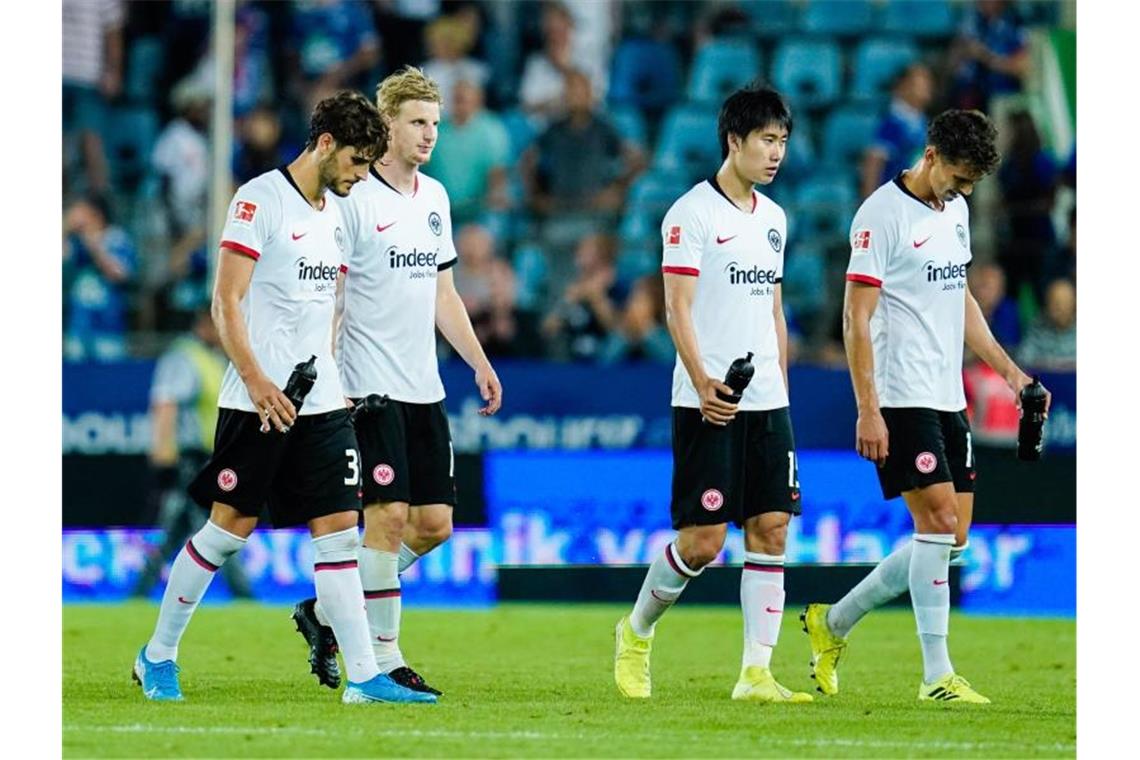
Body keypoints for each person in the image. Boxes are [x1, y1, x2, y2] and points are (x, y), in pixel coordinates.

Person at [130, 91, 431, 705]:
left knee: (341, 534)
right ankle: (156, 655)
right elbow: (226, 301)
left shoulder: (335, 214)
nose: (358, 175)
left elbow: (326, 310)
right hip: (257, 401)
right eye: (354, 161)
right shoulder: (257, 201)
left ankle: (365, 677)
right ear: (325, 145)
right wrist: (258, 378)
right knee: (224, 534)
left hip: (320, 404)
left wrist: (338, 385)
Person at [802, 109, 1050, 704]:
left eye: (972, 184)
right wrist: (868, 408)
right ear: (932, 154)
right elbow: (854, 318)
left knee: (952, 537)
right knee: (936, 524)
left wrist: (1014, 376)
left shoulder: (956, 211)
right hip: (899, 393)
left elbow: (959, 302)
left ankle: (831, 623)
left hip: (946, 396)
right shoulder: (880, 215)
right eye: (959, 177)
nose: (964, 192)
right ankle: (937, 676)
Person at [292, 67, 503, 698]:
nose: (429, 134)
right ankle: (384, 659)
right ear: (387, 125)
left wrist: (477, 360)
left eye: (435, 123)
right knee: (385, 520)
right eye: (417, 122)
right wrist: (329, 377)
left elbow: (444, 293)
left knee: (435, 524)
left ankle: (327, 613)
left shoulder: (435, 199)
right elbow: (329, 296)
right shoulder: (354, 199)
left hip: (424, 387)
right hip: (368, 387)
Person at [613, 85, 810, 704]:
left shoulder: (776, 219)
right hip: (706, 397)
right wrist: (702, 381)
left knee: (772, 527)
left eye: (782, 141)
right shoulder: (690, 213)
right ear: (734, 141)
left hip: (767, 399)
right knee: (704, 541)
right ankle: (636, 630)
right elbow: (677, 305)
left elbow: (772, 306)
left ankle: (756, 673)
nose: (776, 153)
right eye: (766, 140)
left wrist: (781, 380)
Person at [131, 310, 253, 600]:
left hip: (210, 458)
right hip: (190, 459)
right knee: (219, 526)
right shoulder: (185, 357)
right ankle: (244, 595)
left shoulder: (212, 357)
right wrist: (164, 454)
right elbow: (165, 404)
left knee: (174, 531)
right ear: (205, 323)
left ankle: (138, 593)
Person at [63, 194, 137, 361]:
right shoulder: (75, 241)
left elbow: (120, 274)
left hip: (108, 326)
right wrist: (65, 228)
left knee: (109, 379)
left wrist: (94, 246)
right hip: (78, 327)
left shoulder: (117, 238)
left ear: (96, 213)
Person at [860, 63, 934, 200]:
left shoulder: (921, 121)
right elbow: (873, 163)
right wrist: (869, 203)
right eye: (921, 82)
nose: (927, 86)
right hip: (896, 199)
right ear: (903, 86)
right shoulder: (893, 123)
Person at [1017, 278, 1076, 370]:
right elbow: (1023, 360)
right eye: (1054, 302)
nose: (1059, 308)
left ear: (1074, 303)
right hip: (1044, 381)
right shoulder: (1037, 326)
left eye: (1063, 302)